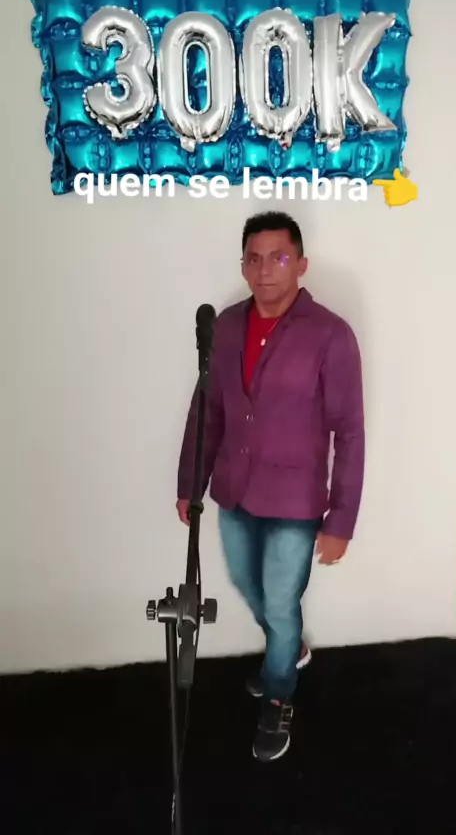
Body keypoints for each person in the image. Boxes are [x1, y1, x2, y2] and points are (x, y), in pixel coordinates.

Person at [176, 211, 365, 763]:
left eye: (279, 258)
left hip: (295, 503)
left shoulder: (330, 335)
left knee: (281, 603)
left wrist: (341, 520)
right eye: (254, 259)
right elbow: (207, 409)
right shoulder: (227, 325)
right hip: (234, 492)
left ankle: (280, 692)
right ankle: (290, 647)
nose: (265, 270)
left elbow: (350, 432)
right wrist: (191, 482)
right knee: (244, 581)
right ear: (243, 265)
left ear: (301, 264)